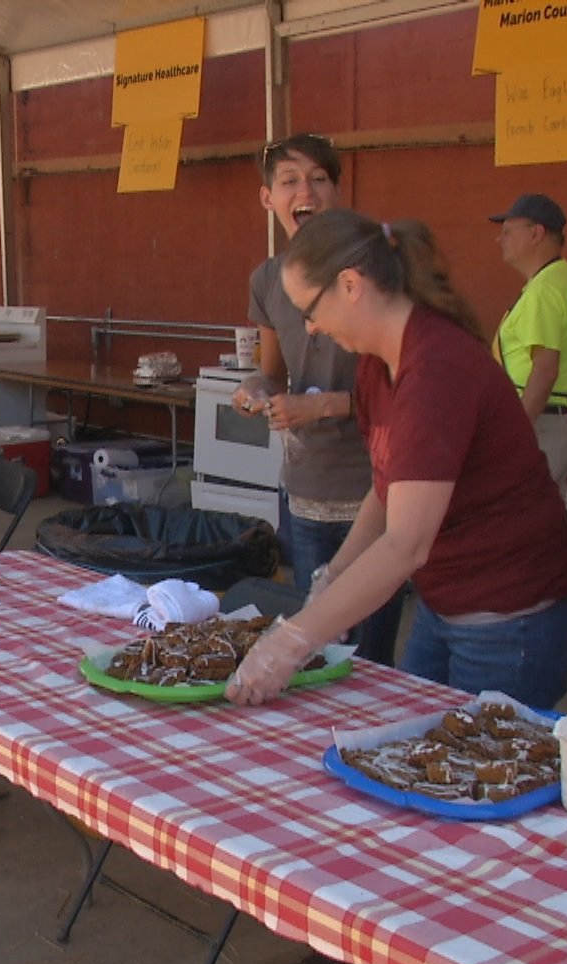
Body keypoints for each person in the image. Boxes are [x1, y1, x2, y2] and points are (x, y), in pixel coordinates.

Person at [227, 208, 567, 964]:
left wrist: (295, 637)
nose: (306, 325)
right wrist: (338, 570)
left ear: (352, 285)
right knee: (401, 776)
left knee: (477, 793)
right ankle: (376, 942)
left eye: (309, 307)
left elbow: (411, 539)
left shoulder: (437, 368)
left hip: (515, 609)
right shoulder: (378, 366)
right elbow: (387, 491)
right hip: (450, 599)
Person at [232, 133, 402, 665]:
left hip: (374, 491)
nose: (304, 190)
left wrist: (322, 406)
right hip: (305, 490)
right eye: (289, 181)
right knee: (315, 649)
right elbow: (271, 373)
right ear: (268, 199)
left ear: (338, 190)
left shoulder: (379, 268)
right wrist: (255, 391)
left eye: (319, 178)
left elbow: (408, 391)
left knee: (369, 659)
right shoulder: (265, 279)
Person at [489, 193, 567, 486]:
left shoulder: (545, 291)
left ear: (536, 233)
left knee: (520, 518)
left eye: (508, 231)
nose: (501, 239)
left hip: (540, 423)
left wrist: (515, 432)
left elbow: (545, 370)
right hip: (555, 420)